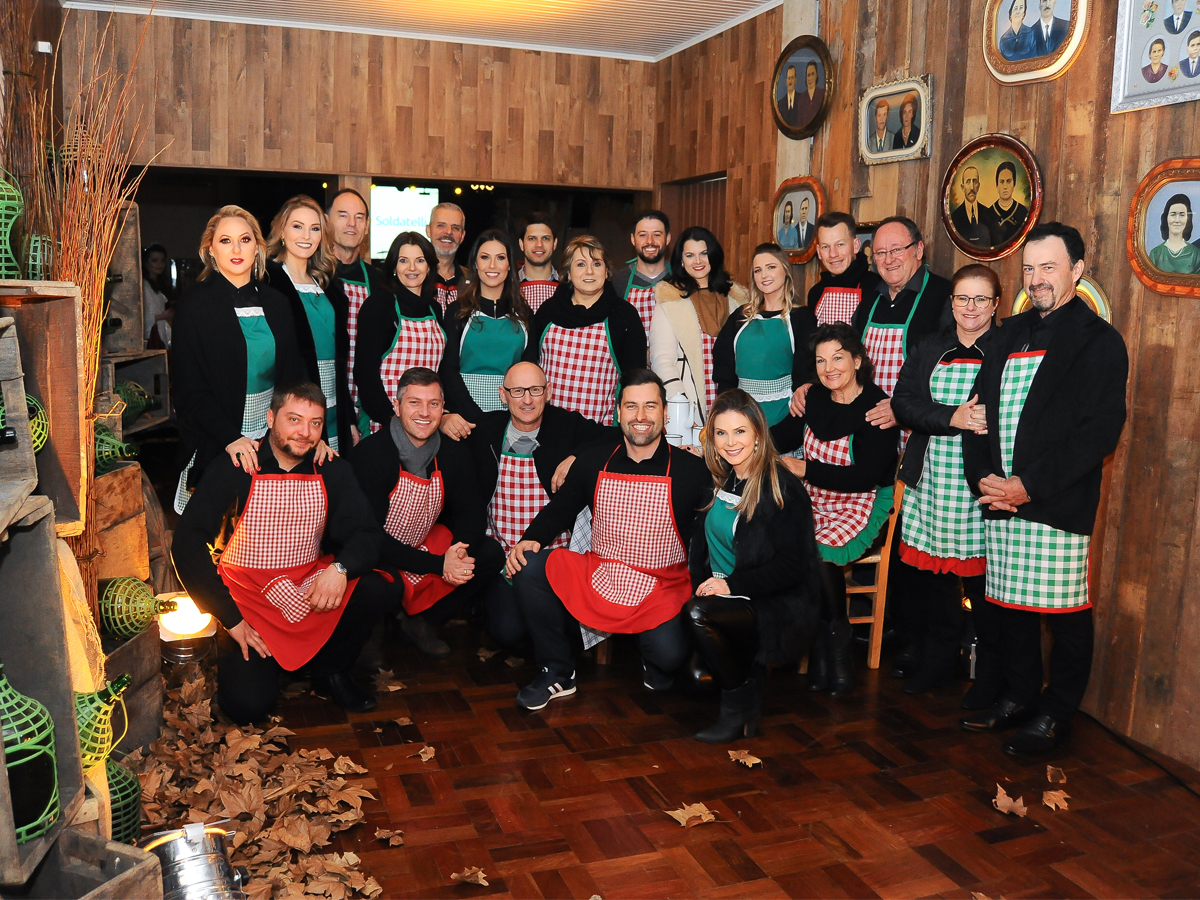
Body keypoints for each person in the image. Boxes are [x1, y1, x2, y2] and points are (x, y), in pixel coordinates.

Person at [961, 223, 1128, 756]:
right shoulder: (1006, 335)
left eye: (1049, 268)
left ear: (1078, 271)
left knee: (1063, 614)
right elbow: (976, 414)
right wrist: (983, 479)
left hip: (1054, 502)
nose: (1037, 280)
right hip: (1000, 500)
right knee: (1010, 608)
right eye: (1029, 269)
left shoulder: (1099, 342)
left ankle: (1058, 714)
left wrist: (1027, 487)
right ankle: (1019, 698)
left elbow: (1098, 434)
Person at [172, 382, 397, 723]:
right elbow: (187, 543)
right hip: (248, 600)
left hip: (307, 587)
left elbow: (367, 533)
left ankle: (330, 669)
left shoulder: (331, 469)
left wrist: (339, 569)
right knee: (248, 707)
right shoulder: (236, 466)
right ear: (270, 417)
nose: (305, 433)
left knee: (379, 587)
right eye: (294, 419)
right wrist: (229, 619)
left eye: (315, 423)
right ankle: (271, 664)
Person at [505, 370, 711, 709]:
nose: (640, 417)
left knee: (668, 658)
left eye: (650, 406)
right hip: (601, 573)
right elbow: (560, 509)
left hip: (661, 584)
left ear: (665, 413)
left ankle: (654, 656)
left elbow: (706, 540)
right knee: (529, 566)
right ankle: (557, 671)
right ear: (618, 413)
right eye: (631, 406)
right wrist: (531, 539)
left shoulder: (692, 470)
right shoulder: (593, 461)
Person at [685, 390, 823, 742]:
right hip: (724, 589)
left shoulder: (782, 488)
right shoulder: (722, 477)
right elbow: (705, 546)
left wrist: (731, 586)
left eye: (740, 432)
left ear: (759, 434)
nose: (731, 442)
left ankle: (738, 709)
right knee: (692, 678)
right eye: (721, 433)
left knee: (699, 615)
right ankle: (741, 688)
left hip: (772, 599)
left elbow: (794, 567)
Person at [891, 264, 999, 699]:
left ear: (995, 304)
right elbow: (904, 404)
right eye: (961, 298)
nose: (969, 308)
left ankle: (989, 678)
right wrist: (951, 417)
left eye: (980, 299)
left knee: (985, 588)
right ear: (950, 302)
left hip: (983, 484)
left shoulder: (1009, 349)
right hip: (932, 479)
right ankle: (938, 662)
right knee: (933, 584)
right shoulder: (930, 346)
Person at [348, 367, 503, 659]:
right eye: (414, 402)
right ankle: (370, 631)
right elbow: (368, 539)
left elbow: (471, 510)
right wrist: (436, 565)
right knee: (379, 587)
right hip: (376, 550)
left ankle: (420, 622)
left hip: (422, 540)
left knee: (489, 554)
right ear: (396, 406)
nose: (425, 412)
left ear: (443, 408)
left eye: (433, 404)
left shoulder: (453, 452)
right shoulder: (371, 456)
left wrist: (457, 552)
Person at [468, 362, 619, 653]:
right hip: (504, 556)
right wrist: (448, 420)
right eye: (518, 391)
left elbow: (614, 437)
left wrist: (577, 455)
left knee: (568, 629)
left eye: (535, 390)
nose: (527, 399)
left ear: (548, 392)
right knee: (508, 633)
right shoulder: (487, 429)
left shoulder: (566, 424)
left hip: (554, 556)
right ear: (503, 395)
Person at [170, 205, 309, 514]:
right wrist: (231, 438)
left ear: (258, 248)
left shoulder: (278, 303)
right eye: (225, 240)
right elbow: (189, 388)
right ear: (210, 250)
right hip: (216, 436)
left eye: (244, 240)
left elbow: (292, 376)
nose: (236, 249)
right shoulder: (194, 306)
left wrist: (303, 430)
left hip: (273, 434)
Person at [792, 324, 899, 698]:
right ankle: (821, 650)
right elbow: (785, 434)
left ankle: (837, 651)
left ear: (857, 360)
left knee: (817, 549)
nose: (828, 368)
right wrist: (742, 433)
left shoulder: (877, 408)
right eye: (821, 361)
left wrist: (804, 469)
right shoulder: (816, 398)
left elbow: (865, 476)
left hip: (862, 501)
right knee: (783, 533)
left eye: (838, 357)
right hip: (815, 495)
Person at [525, 235, 647, 424]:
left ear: (607, 272)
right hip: (547, 426)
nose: (589, 271)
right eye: (580, 264)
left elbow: (635, 382)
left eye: (597, 264)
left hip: (602, 431)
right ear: (568, 273)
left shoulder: (624, 315)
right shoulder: (548, 311)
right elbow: (530, 367)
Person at [265, 195, 353, 452]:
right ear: (282, 230)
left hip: (333, 394)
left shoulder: (329, 285)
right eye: (297, 226)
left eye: (314, 228)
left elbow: (341, 357)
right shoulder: (267, 282)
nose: (306, 235)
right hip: (293, 398)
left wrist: (348, 418)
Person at [714, 244, 817, 441]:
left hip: (785, 418)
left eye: (771, 267)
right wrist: (729, 414)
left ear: (785, 270)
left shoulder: (801, 318)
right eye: (757, 270)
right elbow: (724, 368)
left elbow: (805, 378)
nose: (764, 275)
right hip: (742, 417)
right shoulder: (740, 317)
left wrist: (783, 434)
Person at [649, 226, 748, 427]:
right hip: (689, 405)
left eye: (704, 253)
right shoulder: (670, 300)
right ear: (681, 261)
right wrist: (681, 407)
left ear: (714, 255)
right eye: (690, 255)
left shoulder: (736, 300)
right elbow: (662, 361)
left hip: (734, 400)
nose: (698, 261)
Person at [353, 231, 447, 435]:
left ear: (429, 266)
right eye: (404, 260)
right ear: (394, 266)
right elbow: (365, 374)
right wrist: (392, 421)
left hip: (427, 422)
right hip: (385, 422)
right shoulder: (379, 305)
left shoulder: (435, 309)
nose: (412, 268)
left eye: (419, 260)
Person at [852, 217, 954, 404]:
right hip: (872, 419)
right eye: (881, 253)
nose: (889, 260)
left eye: (897, 250)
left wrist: (901, 409)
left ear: (919, 249)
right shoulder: (869, 299)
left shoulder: (945, 295)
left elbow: (950, 369)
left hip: (919, 418)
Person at [440, 229, 531, 421]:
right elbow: (448, 370)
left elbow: (530, 369)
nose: (492, 265)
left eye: (500, 258)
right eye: (485, 257)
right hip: (464, 417)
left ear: (509, 265)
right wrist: (472, 414)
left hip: (513, 416)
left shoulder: (524, 314)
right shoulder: (457, 311)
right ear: (475, 264)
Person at [324, 188, 387, 435]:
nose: (352, 224)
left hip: (369, 402)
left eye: (359, 217)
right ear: (327, 221)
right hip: (324, 396)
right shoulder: (313, 277)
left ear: (367, 226)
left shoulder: (381, 283)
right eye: (343, 215)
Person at [807, 211, 883, 327]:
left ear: (856, 246)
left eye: (840, 244)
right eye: (825, 247)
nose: (833, 254)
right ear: (819, 252)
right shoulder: (815, 293)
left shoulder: (877, 287)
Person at [611, 210, 672, 337]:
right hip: (631, 356)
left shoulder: (682, 278)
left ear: (668, 238)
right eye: (643, 235)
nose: (650, 241)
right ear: (633, 239)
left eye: (657, 234)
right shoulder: (617, 281)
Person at [427, 202, 468, 313]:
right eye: (441, 225)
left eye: (455, 228)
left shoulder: (473, 281)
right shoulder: (414, 276)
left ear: (462, 236)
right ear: (428, 230)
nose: (449, 232)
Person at [517, 213, 560, 313]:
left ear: (554, 244)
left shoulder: (569, 287)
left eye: (545, 238)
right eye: (532, 238)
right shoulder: (507, 287)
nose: (539, 244)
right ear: (521, 244)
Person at [1148, 193, 1200, 274]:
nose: (1177, 220)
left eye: (1182, 215)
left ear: (1188, 219)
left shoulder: (1196, 254)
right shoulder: (1155, 253)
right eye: (1173, 214)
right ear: (1166, 218)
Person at [950, 166, 996, 248]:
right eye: (968, 182)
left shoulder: (989, 214)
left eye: (974, 182)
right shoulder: (954, 217)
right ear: (962, 187)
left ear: (978, 186)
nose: (971, 187)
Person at [988, 162, 1030, 246]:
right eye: (1002, 182)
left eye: (1008, 181)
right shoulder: (988, 214)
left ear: (1014, 184)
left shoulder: (1022, 211)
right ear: (997, 185)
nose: (1005, 186)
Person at [142, 243, 173, 349]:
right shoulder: (142, 286)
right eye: (155, 260)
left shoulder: (162, 285)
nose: (159, 264)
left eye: (162, 260)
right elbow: (138, 318)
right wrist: (162, 316)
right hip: (150, 337)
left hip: (161, 333)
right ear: (146, 262)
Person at [795, 60, 825, 126]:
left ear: (816, 75)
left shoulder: (822, 94)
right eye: (808, 75)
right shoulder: (801, 100)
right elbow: (799, 124)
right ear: (806, 78)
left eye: (812, 74)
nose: (810, 78)